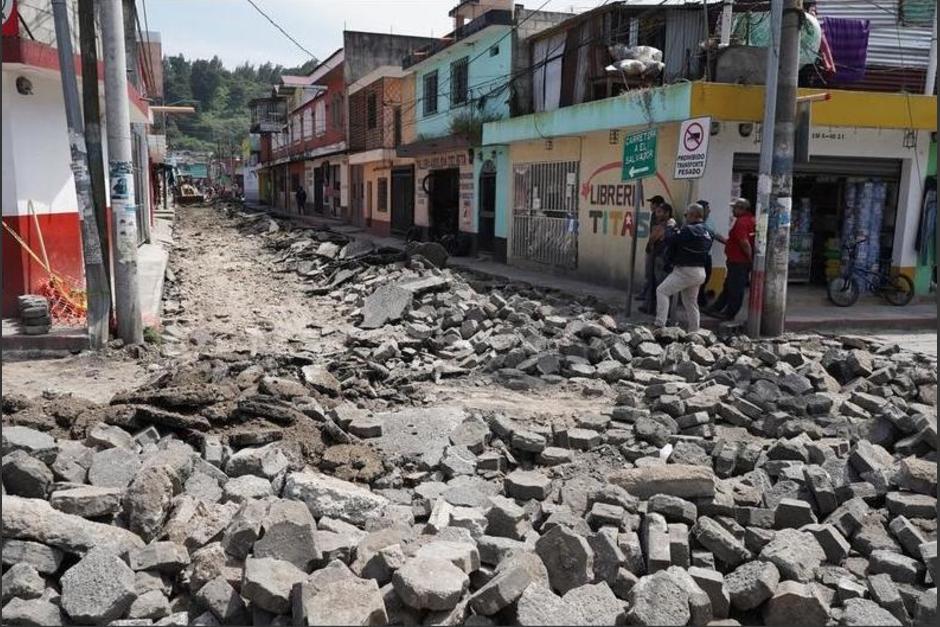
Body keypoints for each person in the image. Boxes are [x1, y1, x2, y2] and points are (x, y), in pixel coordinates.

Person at [655, 203, 712, 331]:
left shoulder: (689, 229)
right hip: (700, 272)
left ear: (693, 215)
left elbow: (670, 240)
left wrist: (670, 227)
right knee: (691, 302)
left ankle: (659, 325)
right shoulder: (708, 231)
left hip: (686, 270)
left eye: (686, 215)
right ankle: (694, 331)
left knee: (662, 291)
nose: (685, 217)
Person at [707, 197, 755, 320]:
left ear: (742, 209)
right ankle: (716, 308)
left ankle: (729, 314)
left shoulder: (742, 222)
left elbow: (744, 243)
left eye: (735, 208)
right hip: (736, 261)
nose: (732, 210)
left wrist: (750, 259)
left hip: (739, 262)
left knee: (735, 289)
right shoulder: (749, 220)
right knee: (728, 286)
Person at [639, 200, 673, 315]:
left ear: (667, 213)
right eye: (656, 212)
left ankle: (662, 312)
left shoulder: (669, 224)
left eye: (659, 212)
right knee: (653, 283)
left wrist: (654, 236)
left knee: (661, 286)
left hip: (663, 258)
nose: (656, 214)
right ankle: (651, 307)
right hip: (657, 256)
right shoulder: (660, 224)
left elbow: (654, 238)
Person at [697, 200, 727, 307]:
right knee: (698, 279)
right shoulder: (694, 221)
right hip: (697, 255)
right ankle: (699, 300)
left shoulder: (709, 221)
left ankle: (700, 298)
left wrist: (726, 242)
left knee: (706, 277)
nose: (709, 211)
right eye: (707, 208)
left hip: (707, 255)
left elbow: (714, 234)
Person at [637, 195, 666, 305]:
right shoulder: (655, 215)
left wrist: (650, 245)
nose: (651, 205)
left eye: (653, 203)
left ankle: (648, 297)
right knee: (650, 274)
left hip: (656, 250)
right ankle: (647, 295)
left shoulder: (659, 217)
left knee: (652, 274)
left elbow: (656, 233)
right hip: (653, 248)